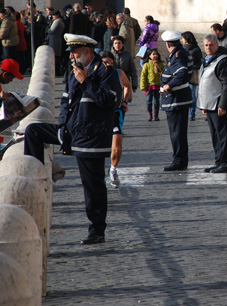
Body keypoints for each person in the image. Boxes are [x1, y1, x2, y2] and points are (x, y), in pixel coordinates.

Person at [24, 34, 122, 245]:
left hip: (91, 137)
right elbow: (66, 102)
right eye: (70, 53)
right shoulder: (73, 72)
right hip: (71, 131)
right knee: (33, 131)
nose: (71, 56)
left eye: (75, 52)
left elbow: (109, 101)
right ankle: (39, 176)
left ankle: (97, 230)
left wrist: (85, 82)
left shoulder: (106, 72)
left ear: (88, 52)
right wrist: (61, 127)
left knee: (92, 185)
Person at [197, 34, 227, 174]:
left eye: (211, 45)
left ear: (217, 45)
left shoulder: (223, 61)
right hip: (210, 104)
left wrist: (223, 105)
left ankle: (226, 163)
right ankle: (219, 161)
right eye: (206, 45)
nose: (208, 47)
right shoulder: (207, 60)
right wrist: (204, 105)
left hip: (218, 104)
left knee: (222, 134)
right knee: (215, 135)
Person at [160, 30, 193, 171]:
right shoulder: (180, 53)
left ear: (167, 44)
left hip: (176, 99)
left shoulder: (178, 56)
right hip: (179, 99)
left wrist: (168, 85)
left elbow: (182, 73)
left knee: (176, 133)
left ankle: (179, 160)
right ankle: (181, 160)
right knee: (179, 133)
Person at [100, 51, 132, 189]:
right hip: (100, 115)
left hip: (116, 113)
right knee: (99, 148)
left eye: (111, 63)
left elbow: (127, 86)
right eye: (105, 63)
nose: (108, 65)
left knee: (117, 148)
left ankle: (113, 170)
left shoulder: (119, 73)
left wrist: (125, 101)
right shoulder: (96, 74)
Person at [181, 31, 203, 121]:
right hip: (182, 74)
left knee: (192, 95)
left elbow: (200, 62)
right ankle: (184, 112)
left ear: (186, 39)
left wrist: (192, 67)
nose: (182, 40)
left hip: (192, 74)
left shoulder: (196, 49)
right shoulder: (181, 49)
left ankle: (192, 113)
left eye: (183, 38)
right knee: (183, 95)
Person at [140, 49, 164, 121]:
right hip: (149, 86)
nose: (155, 56)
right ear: (149, 56)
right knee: (149, 101)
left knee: (157, 101)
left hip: (158, 85)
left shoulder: (160, 64)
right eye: (153, 54)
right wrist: (143, 86)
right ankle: (150, 115)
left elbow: (164, 74)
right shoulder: (147, 65)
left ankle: (156, 115)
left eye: (156, 54)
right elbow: (143, 76)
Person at [46, 10, 65, 75]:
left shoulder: (57, 21)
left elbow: (51, 30)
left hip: (54, 40)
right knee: (57, 56)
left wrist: (48, 30)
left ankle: (56, 71)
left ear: (57, 15)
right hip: (57, 39)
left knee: (55, 56)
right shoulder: (61, 21)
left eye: (53, 15)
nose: (53, 17)